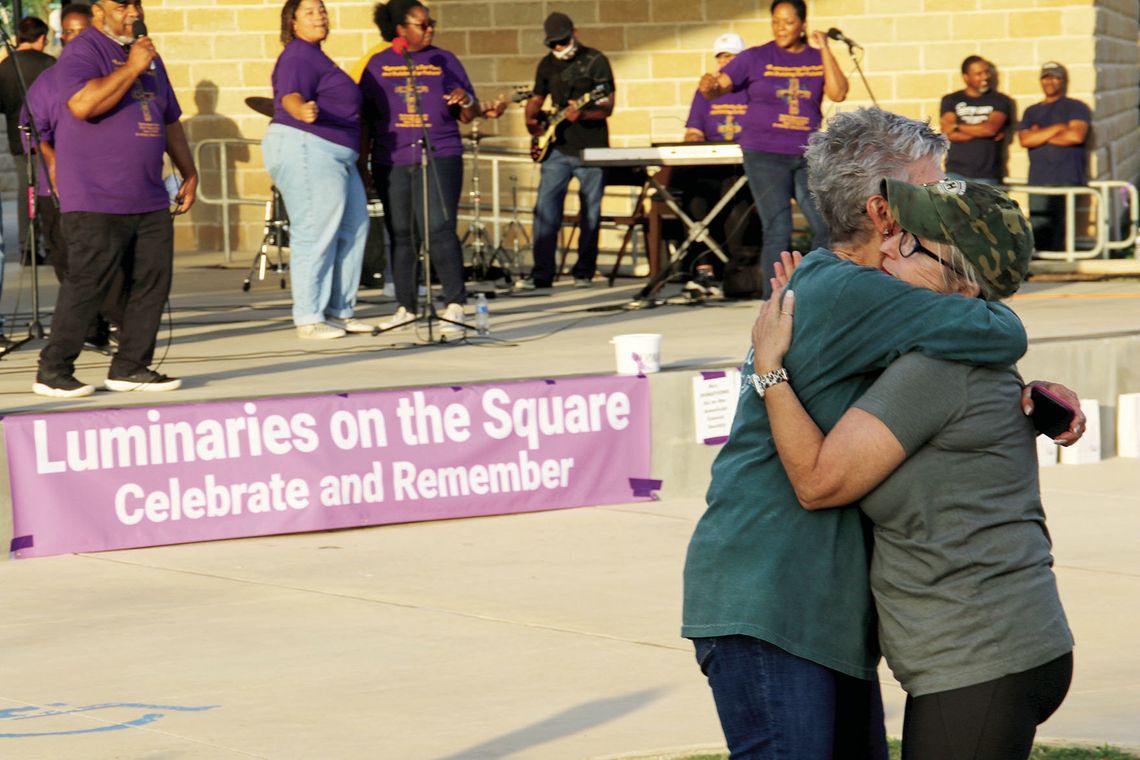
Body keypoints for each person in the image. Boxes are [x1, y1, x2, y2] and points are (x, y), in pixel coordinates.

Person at [681, 108, 1084, 759]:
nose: (943, 202)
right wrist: (769, 373)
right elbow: (996, 327)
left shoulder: (860, 290)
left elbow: (954, 362)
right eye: (932, 188)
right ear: (884, 213)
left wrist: (1029, 397)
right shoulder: (851, 289)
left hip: (822, 608)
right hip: (773, 595)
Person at [33, 0, 198, 398]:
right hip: (95, 194)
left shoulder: (147, 55)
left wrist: (188, 171)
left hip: (147, 192)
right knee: (89, 283)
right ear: (99, 10)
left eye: (136, 4)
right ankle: (53, 371)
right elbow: (82, 105)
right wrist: (132, 68)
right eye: (123, 5)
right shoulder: (83, 50)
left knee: (152, 282)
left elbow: (169, 118)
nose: (133, 13)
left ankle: (131, 366)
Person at [698, 0, 847, 299]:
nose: (781, 28)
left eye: (788, 22)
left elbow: (838, 92)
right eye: (776, 22)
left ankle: (817, 290)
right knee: (778, 227)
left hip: (806, 153)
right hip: (764, 152)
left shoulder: (816, 57)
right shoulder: (756, 57)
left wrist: (826, 50)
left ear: (802, 24)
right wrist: (709, 87)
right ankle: (774, 298)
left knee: (825, 224)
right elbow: (720, 86)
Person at [361, 0, 484, 334]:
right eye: (422, 24)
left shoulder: (444, 60)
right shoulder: (377, 65)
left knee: (440, 228)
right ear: (401, 29)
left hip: (439, 153)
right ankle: (406, 307)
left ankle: (455, 306)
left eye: (432, 23)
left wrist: (466, 99)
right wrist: (363, 163)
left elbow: (471, 112)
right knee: (402, 234)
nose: (430, 29)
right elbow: (366, 121)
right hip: (393, 159)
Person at [263, 0, 370, 340]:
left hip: (336, 153)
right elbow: (289, 95)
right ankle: (308, 317)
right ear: (292, 22)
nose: (319, 16)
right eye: (309, 12)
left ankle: (339, 310)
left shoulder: (318, 57)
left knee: (354, 226)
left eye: (322, 10)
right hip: (307, 144)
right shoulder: (298, 54)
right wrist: (301, 110)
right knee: (315, 230)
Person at [22, 3, 119, 352]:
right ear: (63, 37)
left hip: (104, 188)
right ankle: (89, 329)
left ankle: (111, 322)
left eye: (85, 31)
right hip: (58, 191)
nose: (79, 39)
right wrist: (52, 160)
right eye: (72, 33)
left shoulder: (115, 75)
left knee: (108, 260)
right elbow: (32, 133)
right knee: (69, 263)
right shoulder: (48, 81)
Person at [513, 11, 615, 294]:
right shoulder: (546, 65)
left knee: (590, 211)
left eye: (562, 41)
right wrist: (532, 120)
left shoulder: (595, 61)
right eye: (553, 44)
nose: (558, 48)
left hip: (591, 149)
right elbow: (537, 98)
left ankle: (584, 270)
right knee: (545, 210)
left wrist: (582, 115)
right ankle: (542, 273)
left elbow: (607, 105)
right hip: (556, 149)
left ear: (574, 33)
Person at [674, 32, 751, 297]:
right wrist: (694, 137)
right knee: (694, 198)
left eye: (730, 57)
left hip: (741, 165)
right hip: (709, 163)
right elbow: (693, 130)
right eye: (720, 57)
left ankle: (736, 272)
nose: (724, 62)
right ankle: (703, 268)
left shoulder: (751, 89)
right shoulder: (705, 91)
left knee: (738, 200)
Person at [1018, 61, 1091, 252]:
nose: (1050, 81)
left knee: (1062, 229)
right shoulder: (1032, 111)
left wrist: (1040, 134)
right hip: (1039, 180)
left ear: (1063, 81)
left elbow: (1076, 136)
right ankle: (1042, 267)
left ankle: (1062, 268)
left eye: (1055, 77)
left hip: (1067, 177)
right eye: (1046, 77)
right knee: (1039, 226)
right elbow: (1025, 140)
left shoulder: (1076, 107)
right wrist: (1060, 128)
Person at [0, 16, 55, 264]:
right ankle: (55, 243)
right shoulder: (50, 64)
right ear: (41, 38)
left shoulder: (5, 66)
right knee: (51, 187)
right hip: (50, 137)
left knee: (27, 189)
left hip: (17, 137)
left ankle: (27, 247)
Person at [940, 56, 1013, 184]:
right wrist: (981, 131)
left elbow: (990, 129)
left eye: (986, 72)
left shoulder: (1000, 100)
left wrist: (958, 126)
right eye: (979, 74)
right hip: (955, 173)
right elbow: (948, 132)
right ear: (966, 77)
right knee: (950, 204)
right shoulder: (951, 100)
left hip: (987, 175)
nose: (985, 77)